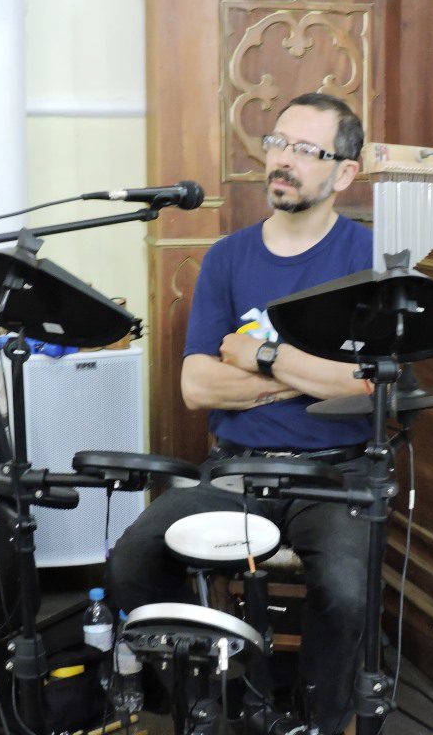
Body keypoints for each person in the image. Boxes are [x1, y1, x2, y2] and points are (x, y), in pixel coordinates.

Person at [105, 92, 375, 735]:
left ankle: (319, 721)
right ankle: (202, 704)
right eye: (278, 143)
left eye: (306, 151)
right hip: (236, 469)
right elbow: (197, 385)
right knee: (130, 559)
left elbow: (367, 387)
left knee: (345, 591)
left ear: (344, 173)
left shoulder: (368, 259)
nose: (282, 161)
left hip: (337, 475)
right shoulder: (228, 257)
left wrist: (261, 356)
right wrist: (303, 375)